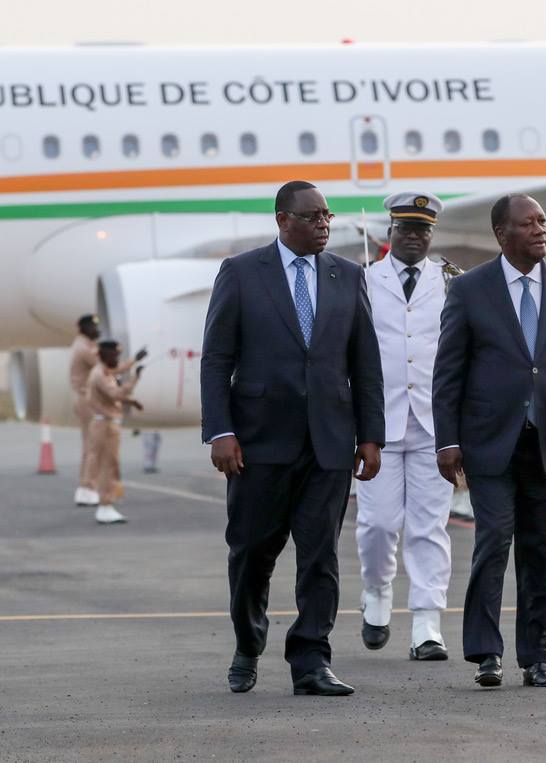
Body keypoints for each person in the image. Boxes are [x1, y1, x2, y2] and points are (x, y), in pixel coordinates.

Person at [201, 180, 385, 697]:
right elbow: (216, 359)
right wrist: (220, 431)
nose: (324, 224)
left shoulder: (348, 275)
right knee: (251, 554)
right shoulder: (241, 273)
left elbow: (365, 363)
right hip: (258, 445)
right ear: (283, 220)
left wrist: (371, 435)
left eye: (327, 215)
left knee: (320, 556)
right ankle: (248, 643)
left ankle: (311, 661)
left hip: (329, 442)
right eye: (312, 216)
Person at [432, 193, 546, 689]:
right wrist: (446, 440)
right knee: (493, 542)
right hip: (489, 443)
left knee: (540, 552)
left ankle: (537, 656)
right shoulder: (470, 289)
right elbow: (448, 371)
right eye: (528, 223)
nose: (540, 230)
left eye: (543, 221)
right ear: (501, 233)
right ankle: (486, 652)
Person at [354, 191, 454, 661]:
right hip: (379, 423)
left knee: (428, 527)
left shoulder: (451, 282)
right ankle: (376, 590)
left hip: (435, 425)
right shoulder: (363, 280)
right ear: (389, 232)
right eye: (406, 229)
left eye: (423, 230)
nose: (414, 237)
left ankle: (426, 625)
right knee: (378, 523)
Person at [69, 314, 144, 507]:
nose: (97, 330)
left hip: (86, 398)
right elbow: (110, 370)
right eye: (93, 327)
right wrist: (133, 364)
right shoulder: (85, 349)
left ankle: (87, 488)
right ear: (83, 328)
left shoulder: (85, 345)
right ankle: (88, 488)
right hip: (89, 401)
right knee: (94, 447)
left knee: (92, 447)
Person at [84, 339, 143, 525]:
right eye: (114, 355)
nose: (117, 359)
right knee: (107, 465)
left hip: (106, 424)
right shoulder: (100, 374)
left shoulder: (104, 370)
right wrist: (135, 379)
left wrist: (135, 360)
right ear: (104, 355)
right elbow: (116, 394)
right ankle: (105, 505)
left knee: (110, 464)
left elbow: (118, 371)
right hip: (105, 426)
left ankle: (107, 502)